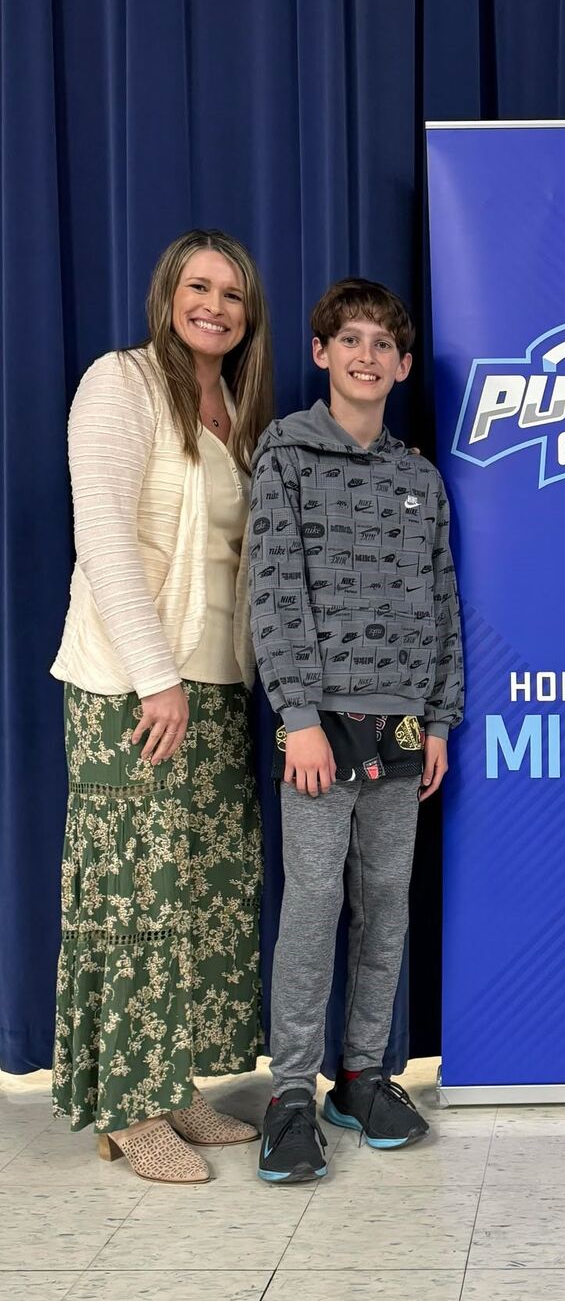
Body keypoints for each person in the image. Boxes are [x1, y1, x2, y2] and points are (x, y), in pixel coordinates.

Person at [51, 229, 274, 1183]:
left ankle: (173, 1084)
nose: (214, 306)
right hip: (132, 687)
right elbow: (102, 533)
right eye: (199, 286)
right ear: (168, 295)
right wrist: (156, 676)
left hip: (215, 685)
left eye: (232, 293)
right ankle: (128, 1108)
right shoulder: (122, 383)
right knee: (138, 894)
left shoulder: (241, 407)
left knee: (202, 896)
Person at [250, 278, 463, 1184]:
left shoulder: (420, 478)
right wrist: (297, 717)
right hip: (319, 727)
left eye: (383, 344)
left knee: (385, 902)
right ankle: (291, 1094)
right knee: (311, 905)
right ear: (322, 353)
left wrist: (440, 717)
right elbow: (273, 593)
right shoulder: (287, 456)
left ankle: (361, 1075)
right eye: (351, 340)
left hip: (403, 725)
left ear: (403, 365)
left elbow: (444, 602)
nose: (366, 356)